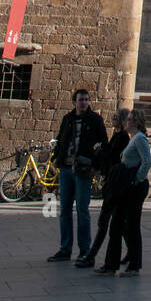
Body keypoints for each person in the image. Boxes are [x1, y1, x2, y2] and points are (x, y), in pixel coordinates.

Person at [48, 88, 108, 264]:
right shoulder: (68, 119)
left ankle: (85, 249)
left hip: (83, 170)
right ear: (74, 101)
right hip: (66, 168)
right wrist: (56, 157)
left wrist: (95, 165)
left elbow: (103, 143)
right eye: (81, 99)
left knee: (82, 210)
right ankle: (65, 248)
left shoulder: (95, 120)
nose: (84, 102)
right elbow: (61, 138)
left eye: (86, 99)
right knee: (65, 210)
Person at [96, 108, 151, 275]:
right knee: (117, 225)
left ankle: (134, 265)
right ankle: (110, 264)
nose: (124, 121)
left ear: (135, 122)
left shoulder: (140, 139)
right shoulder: (133, 139)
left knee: (132, 225)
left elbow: (147, 162)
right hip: (126, 186)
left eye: (128, 119)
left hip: (133, 187)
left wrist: (136, 179)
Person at [80, 106, 130, 268]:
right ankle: (132, 252)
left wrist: (100, 150)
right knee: (117, 224)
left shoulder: (123, 138)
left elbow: (113, 156)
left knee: (105, 223)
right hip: (111, 182)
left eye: (116, 116)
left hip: (114, 185)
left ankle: (92, 256)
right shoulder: (117, 136)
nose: (112, 118)